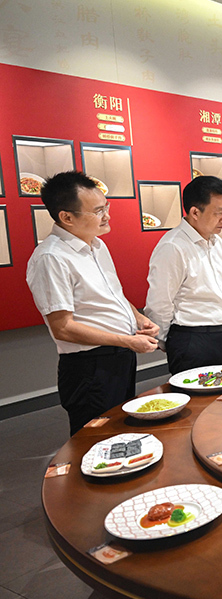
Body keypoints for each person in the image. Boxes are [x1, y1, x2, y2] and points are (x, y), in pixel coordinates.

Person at [26, 171, 159, 435]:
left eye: (106, 207)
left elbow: (113, 295)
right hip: (90, 367)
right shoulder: (51, 258)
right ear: (66, 217)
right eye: (98, 211)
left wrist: (138, 318)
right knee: (94, 437)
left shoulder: (97, 246)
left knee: (120, 430)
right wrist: (128, 340)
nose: (107, 216)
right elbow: (63, 328)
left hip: (118, 357)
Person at [145, 176, 222, 375]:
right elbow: (160, 301)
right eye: (218, 213)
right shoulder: (173, 246)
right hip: (193, 340)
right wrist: (163, 338)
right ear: (195, 212)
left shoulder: (216, 241)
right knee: (197, 401)